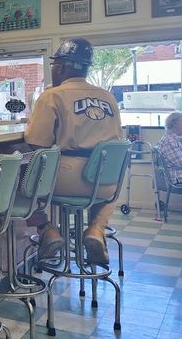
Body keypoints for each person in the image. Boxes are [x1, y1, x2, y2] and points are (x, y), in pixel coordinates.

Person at [25, 38, 124, 265]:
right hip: (105, 181)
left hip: (66, 178)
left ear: (60, 67)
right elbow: (118, 142)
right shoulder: (108, 97)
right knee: (112, 181)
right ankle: (96, 229)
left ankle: (47, 229)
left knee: (13, 180)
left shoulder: (52, 95)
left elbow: (36, 142)